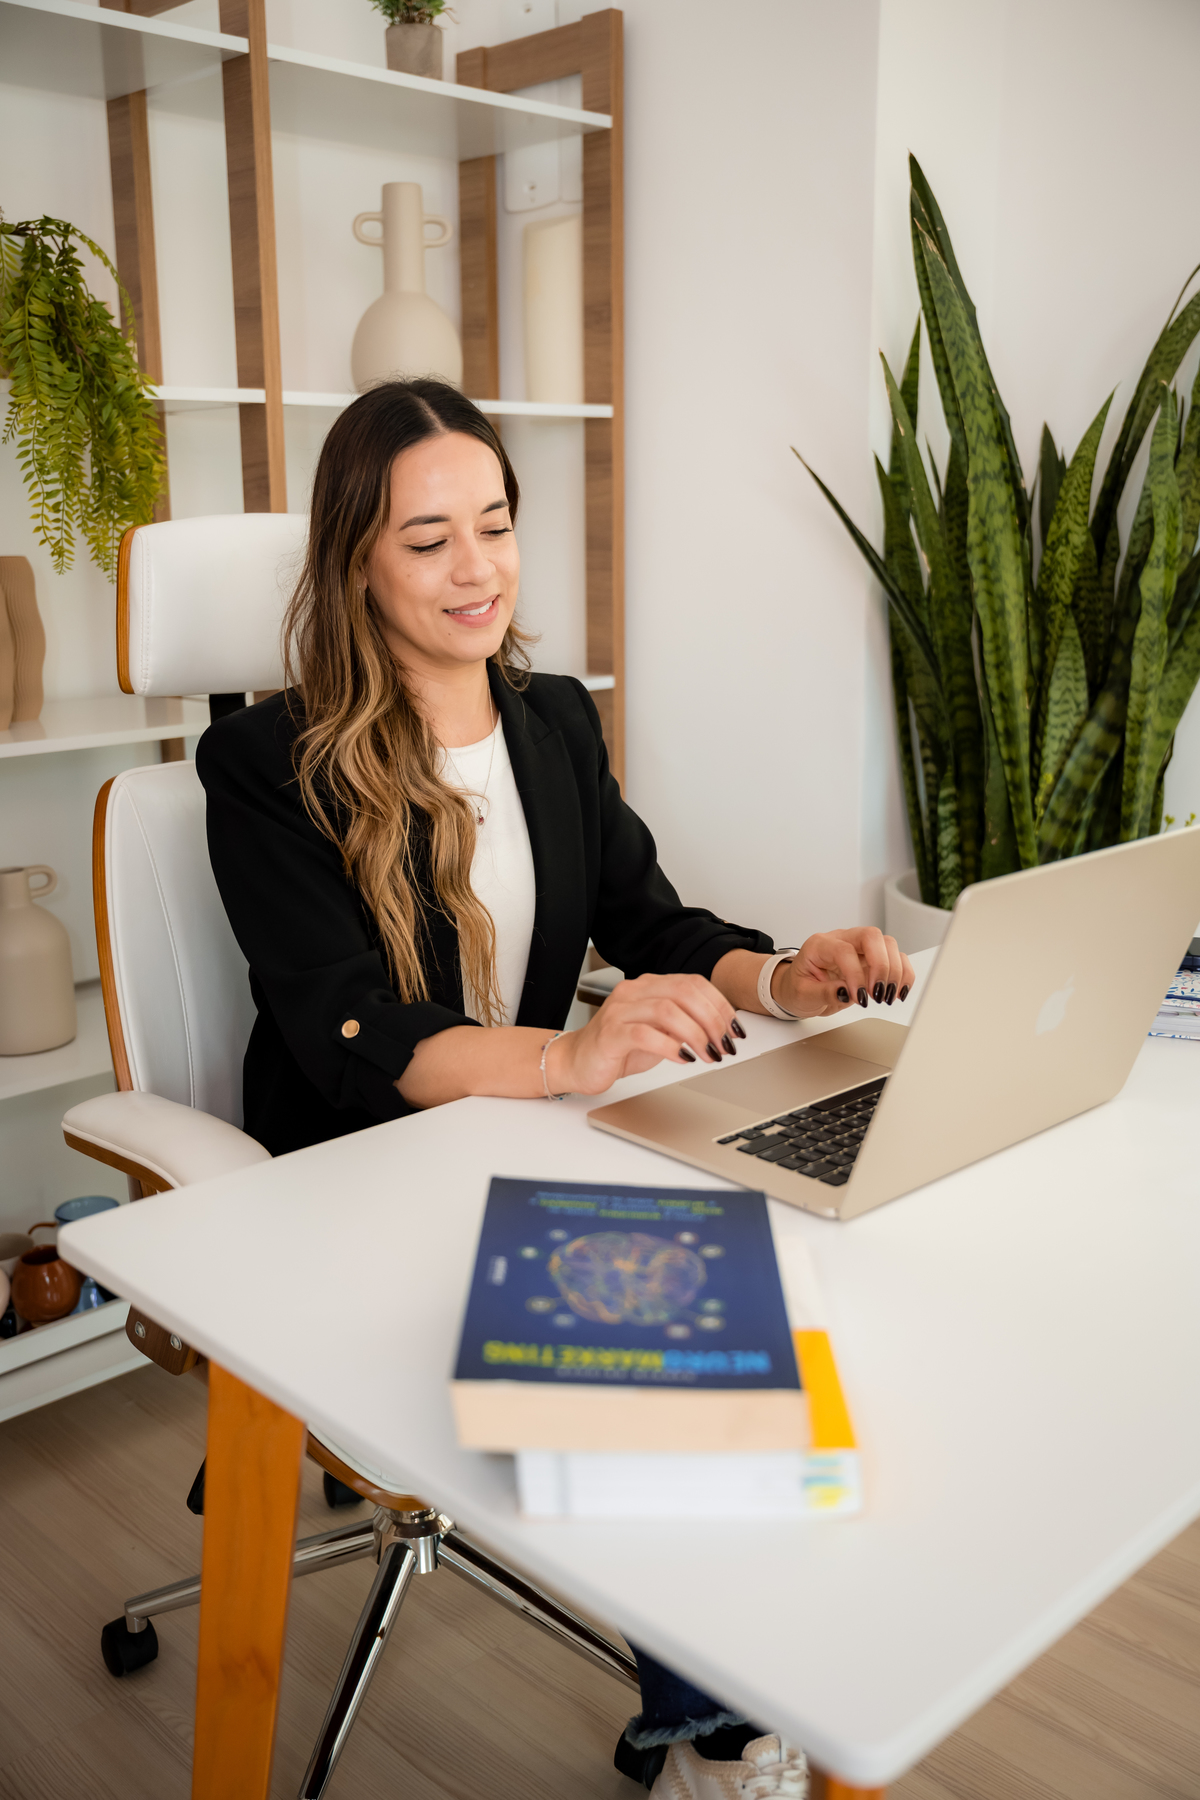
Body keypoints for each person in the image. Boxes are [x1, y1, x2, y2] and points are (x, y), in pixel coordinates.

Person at [197, 379, 914, 1798]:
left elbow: (649, 918)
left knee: (771, 1272)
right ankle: (713, 1734)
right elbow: (348, 1026)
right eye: (428, 540)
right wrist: (568, 1060)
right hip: (356, 1162)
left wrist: (788, 978)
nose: (477, 568)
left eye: (496, 525)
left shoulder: (554, 722)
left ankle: (759, 1681)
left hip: (522, 1135)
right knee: (662, 1331)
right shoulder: (263, 763)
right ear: (355, 561)